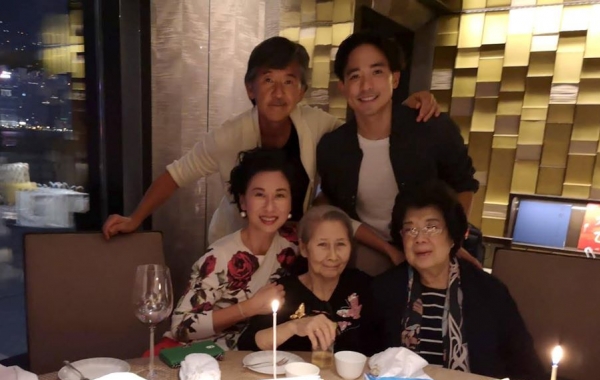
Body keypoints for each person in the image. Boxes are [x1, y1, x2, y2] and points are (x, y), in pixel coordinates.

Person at [102, 36, 440, 253]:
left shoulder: (316, 124)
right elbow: (175, 176)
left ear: (302, 91)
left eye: (289, 82)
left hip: (293, 245)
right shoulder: (229, 136)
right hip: (237, 243)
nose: (278, 93)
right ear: (250, 89)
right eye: (267, 80)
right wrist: (134, 218)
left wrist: (404, 105)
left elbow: (365, 127)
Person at [316, 31, 479, 275]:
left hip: (434, 244)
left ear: (395, 78)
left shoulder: (431, 127)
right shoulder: (333, 147)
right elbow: (334, 206)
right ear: (343, 87)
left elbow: (464, 184)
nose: (366, 85)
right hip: (373, 250)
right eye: (355, 76)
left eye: (377, 72)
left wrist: (451, 241)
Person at [364, 181, 545, 380]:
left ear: (452, 235)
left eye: (431, 227)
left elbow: (526, 368)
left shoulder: (490, 292)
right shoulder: (384, 290)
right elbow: (365, 361)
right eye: (410, 230)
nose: (420, 238)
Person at [169, 148, 298, 350]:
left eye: (280, 195)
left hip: (264, 354)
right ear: (243, 201)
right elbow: (181, 327)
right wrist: (249, 307)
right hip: (210, 356)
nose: (270, 207)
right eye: (259, 195)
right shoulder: (219, 256)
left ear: (291, 202)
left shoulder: (295, 245)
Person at [237, 205, 372, 354]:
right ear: (304, 248)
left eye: (340, 244)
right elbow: (247, 343)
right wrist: (293, 327)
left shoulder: (364, 286)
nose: (333, 256)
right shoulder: (283, 292)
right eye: (322, 245)